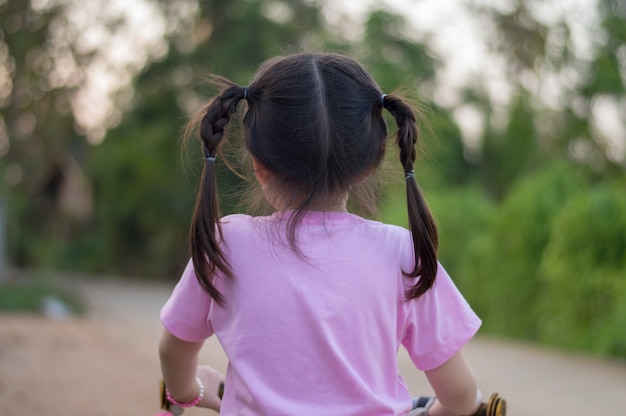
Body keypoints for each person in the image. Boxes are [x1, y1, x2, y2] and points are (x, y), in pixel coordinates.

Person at [158, 52, 490, 416]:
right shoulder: (402, 254)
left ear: (258, 163)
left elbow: (173, 351)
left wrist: (190, 390)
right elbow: (460, 396)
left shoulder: (226, 245)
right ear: (370, 164)